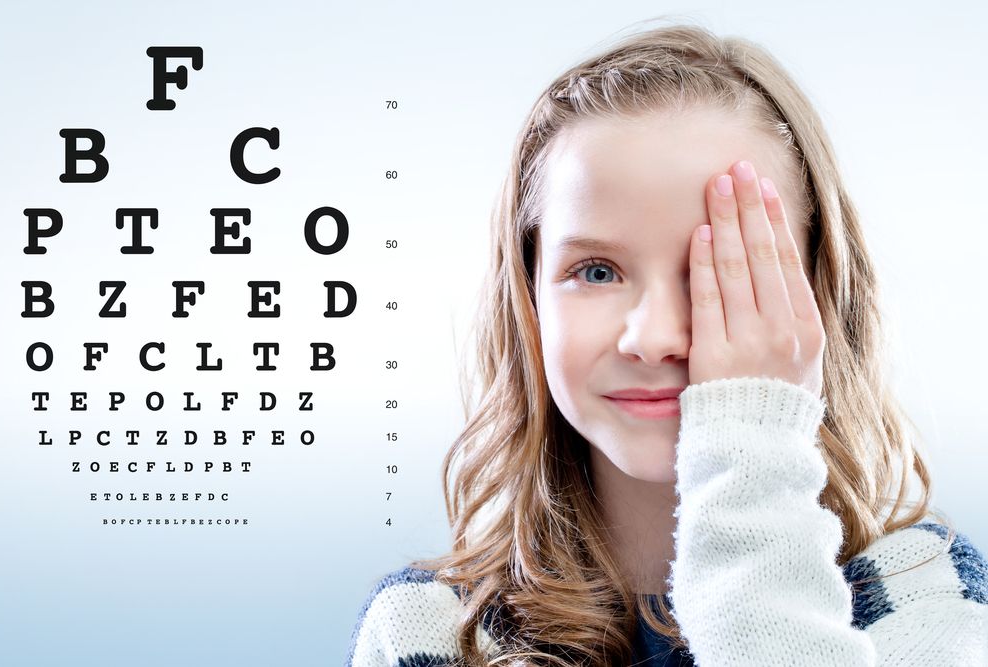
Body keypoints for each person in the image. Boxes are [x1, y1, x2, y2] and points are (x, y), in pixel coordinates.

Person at [345, 19, 987, 667]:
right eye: (596, 272)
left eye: (720, 273)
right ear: (529, 298)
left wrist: (749, 433)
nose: (653, 338)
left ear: (816, 289)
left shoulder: (924, 593)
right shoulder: (428, 631)